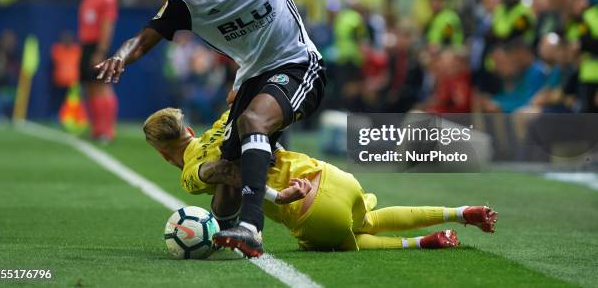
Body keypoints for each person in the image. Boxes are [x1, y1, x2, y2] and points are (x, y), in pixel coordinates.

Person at [96, 0, 401, 256]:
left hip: (299, 64)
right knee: (229, 173)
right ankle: (226, 238)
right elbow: (144, 38)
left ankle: (252, 227)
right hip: (253, 79)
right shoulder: (186, 1)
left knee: (253, 121)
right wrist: (120, 56)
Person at [143, 107, 498, 255]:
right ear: (188, 129)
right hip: (333, 176)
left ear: (161, 154)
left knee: (347, 240)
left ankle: (420, 243)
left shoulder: (191, 173)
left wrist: (276, 195)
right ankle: (459, 211)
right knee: (369, 219)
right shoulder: (224, 121)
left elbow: (226, 173)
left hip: (308, 207)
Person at [78, 0, 118, 143]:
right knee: (89, 86)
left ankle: (107, 131)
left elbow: (107, 24)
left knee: (102, 86)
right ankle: (96, 128)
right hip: (86, 45)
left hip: (98, 45)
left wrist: (101, 50)